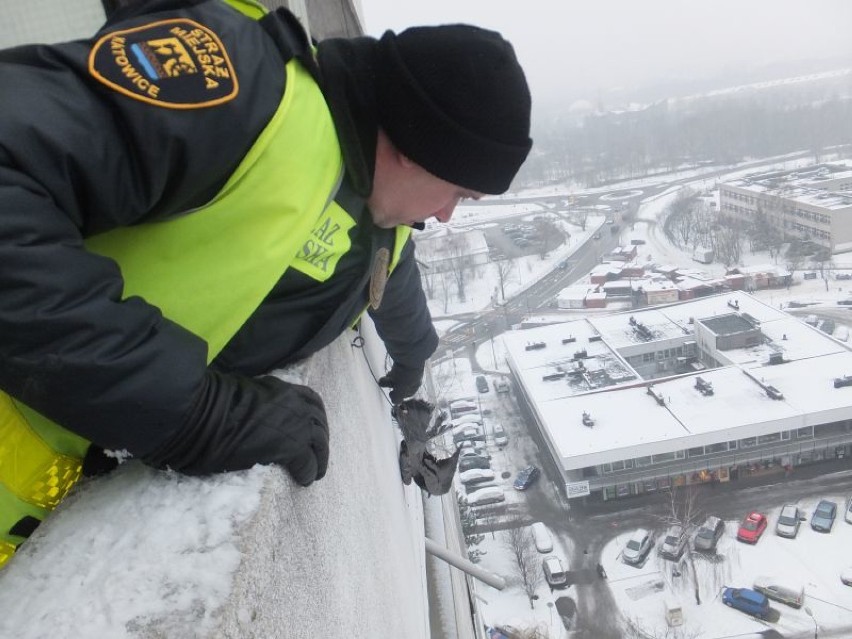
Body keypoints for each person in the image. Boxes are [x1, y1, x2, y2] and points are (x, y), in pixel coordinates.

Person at [0, 0, 532, 567]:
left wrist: (412, 359)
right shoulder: (242, 87)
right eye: (458, 193)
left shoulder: (373, 213)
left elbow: (396, 283)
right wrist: (194, 413)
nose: (447, 215)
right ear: (416, 145)